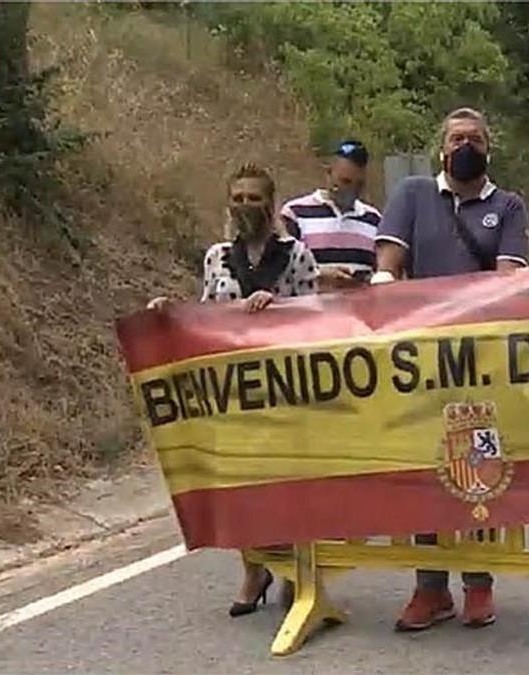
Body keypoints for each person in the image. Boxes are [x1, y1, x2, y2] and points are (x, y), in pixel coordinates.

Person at [373, 107, 529, 631]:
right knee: (427, 470)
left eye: (477, 139)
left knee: (478, 471)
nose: (467, 146)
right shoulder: (413, 194)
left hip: (481, 364)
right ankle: (430, 586)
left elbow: (509, 279)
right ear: (442, 148)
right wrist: (383, 291)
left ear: (489, 149)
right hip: (419, 361)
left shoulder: (508, 206)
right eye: (458, 138)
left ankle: (479, 583)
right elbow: (389, 261)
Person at [146, 163, 319, 617]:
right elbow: (205, 316)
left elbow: (319, 315)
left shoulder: (297, 254)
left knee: (288, 483)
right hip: (232, 390)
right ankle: (254, 567)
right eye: (238, 197)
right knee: (241, 485)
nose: (245, 205)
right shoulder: (217, 257)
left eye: (254, 197)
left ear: (271, 202)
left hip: (284, 387)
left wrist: (278, 308)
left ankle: (296, 570)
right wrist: (171, 312)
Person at [279, 140, 382, 288]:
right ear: (328, 174)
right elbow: (281, 269)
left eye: (358, 185)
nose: (351, 190)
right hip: (313, 307)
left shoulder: (374, 219)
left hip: (360, 308)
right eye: (345, 181)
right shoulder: (295, 213)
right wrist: (319, 274)